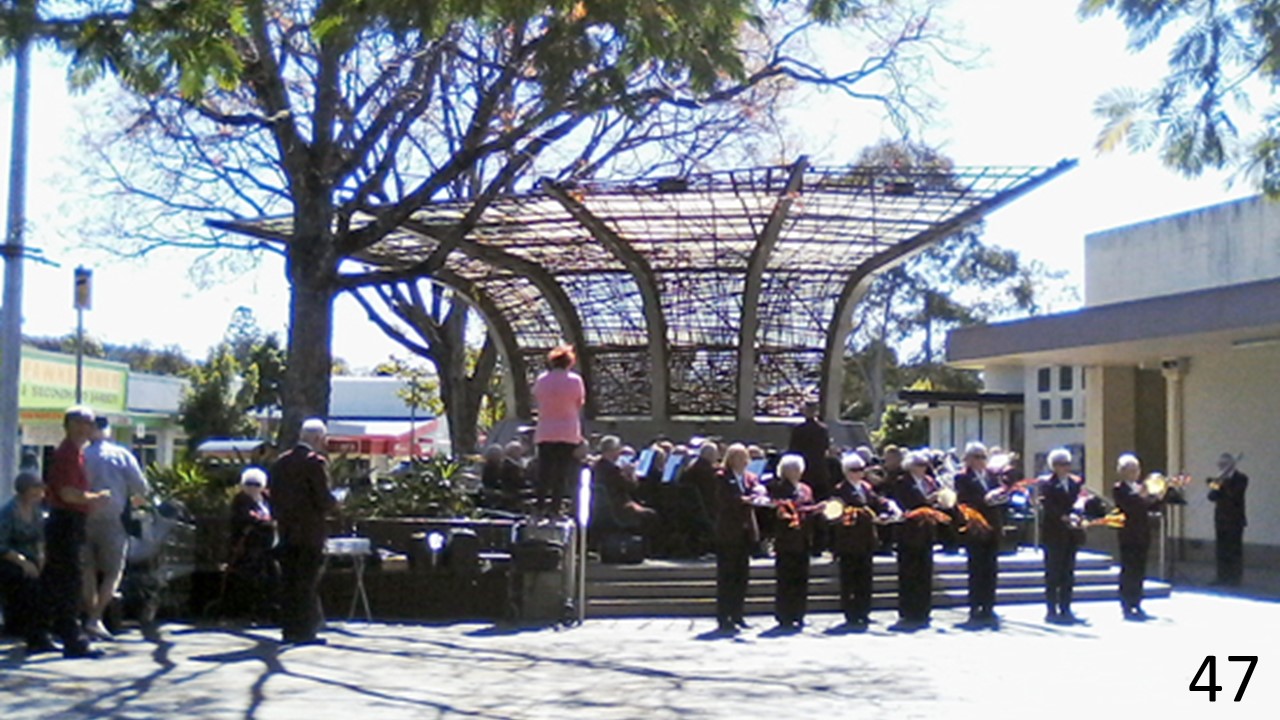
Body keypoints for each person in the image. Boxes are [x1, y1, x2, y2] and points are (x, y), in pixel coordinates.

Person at [41, 406, 113, 659]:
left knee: (54, 580)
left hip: (70, 520)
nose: (86, 428)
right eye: (80, 423)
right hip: (66, 520)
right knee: (70, 581)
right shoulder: (67, 454)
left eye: (90, 423)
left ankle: (39, 634)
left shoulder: (77, 453)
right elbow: (67, 493)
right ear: (68, 425)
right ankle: (73, 640)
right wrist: (96, 498)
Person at [269, 418, 338, 646]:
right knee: (307, 584)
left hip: (286, 532)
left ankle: (289, 629)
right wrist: (335, 502)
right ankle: (306, 631)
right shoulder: (314, 463)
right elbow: (323, 499)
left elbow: (274, 497)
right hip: (309, 534)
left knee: (289, 583)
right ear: (318, 438)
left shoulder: (281, 463)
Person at [81, 417, 151, 640]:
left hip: (82, 516)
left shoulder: (80, 455)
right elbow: (141, 488)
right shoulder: (121, 455)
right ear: (108, 431)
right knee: (113, 572)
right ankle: (95, 617)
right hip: (113, 519)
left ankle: (90, 617)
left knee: (87, 570)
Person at [828, 454, 899, 627]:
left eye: (860, 469)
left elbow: (877, 502)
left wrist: (887, 509)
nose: (858, 473)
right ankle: (850, 611)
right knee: (849, 577)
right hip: (849, 540)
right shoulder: (840, 489)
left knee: (865, 577)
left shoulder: (866, 488)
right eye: (854, 470)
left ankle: (864, 610)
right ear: (846, 472)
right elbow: (835, 512)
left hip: (866, 538)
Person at [0, 472, 56, 653]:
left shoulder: (37, 511)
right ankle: (34, 636)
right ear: (27, 490)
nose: (42, 492)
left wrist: (41, 558)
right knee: (27, 583)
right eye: (38, 488)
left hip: (31, 558)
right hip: (9, 559)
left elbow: (40, 538)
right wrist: (23, 562)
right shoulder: (9, 512)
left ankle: (45, 629)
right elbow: (2, 546)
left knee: (51, 579)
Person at [953, 441, 1007, 625]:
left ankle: (989, 605)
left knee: (991, 568)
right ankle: (975, 605)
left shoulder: (992, 476)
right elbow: (963, 500)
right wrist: (985, 499)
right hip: (976, 526)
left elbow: (1002, 492)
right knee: (976, 567)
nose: (980, 461)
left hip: (993, 525)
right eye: (976, 457)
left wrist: (1001, 496)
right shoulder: (962, 477)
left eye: (983, 457)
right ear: (968, 459)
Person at [713, 444, 764, 633]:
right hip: (728, 531)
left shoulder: (750, 478)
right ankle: (723, 615)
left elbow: (757, 491)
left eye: (745, 458)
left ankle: (738, 613)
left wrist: (758, 494)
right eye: (738, 457)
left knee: (742, 575)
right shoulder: (722, 477)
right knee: (727, 575)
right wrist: (744, 500)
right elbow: (725, 499)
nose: (743, 461)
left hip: (745, 531)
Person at [889, 452, 943, 627]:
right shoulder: (902, 482)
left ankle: (924, 609)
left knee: (925, 571)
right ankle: (908, 609)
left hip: (927, 531)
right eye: (919, 464)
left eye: (924, 464)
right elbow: (909, 504)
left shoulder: (930, 482)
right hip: (909, 533)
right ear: (910, 466)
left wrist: (939, 500)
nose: (923, 468)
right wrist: (928, 500)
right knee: (909, 572)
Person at [532, 345, 586, 518]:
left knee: (544, 470)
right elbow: (579, 402)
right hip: (568, 430)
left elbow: (537, 399)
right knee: (561, 472)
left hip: (545, 430)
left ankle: (539, 505)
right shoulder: (575, 380)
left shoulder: (542, 380)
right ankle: (555, 508)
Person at [769, 454, 820, 630]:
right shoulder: (778, 488)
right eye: (791, 469)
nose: (795, 472)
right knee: (786, 578)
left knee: (801, 577)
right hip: (786, 539)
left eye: (797, 468)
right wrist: (813, 508)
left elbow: (809, 508)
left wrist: (816, 511)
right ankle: (784, 614)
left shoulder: (806, 489)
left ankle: (799, 613)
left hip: (804, 538)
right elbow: (787, 508)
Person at [1038, 448, 1085, 625]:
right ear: (1054, 466)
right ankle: (1051, 608)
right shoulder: (1047, 484)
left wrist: (1077, 513)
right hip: (1053, 533)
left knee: (1068, 572)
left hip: (1072, 533)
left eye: (1067, 464)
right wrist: (1063, 516)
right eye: (1062, 464)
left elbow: (1081, 499)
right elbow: (1047, 505)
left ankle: (1066, 606)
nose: (1066, 467)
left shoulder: (1075, 482)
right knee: (1053, 572)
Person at [226, 467, 279, 622]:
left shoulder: (267, 499)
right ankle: (249, 612)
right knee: (251, 579)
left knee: (272, 577)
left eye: (256, 484)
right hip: (248, 548)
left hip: (269, 546)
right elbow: (246, 519)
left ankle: (268, 611)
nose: (252, 487)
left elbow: (276, 514)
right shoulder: (240, 500)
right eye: (249, 484)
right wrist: (266, 522)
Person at [1113, 454, 1161, 620]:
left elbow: (1151, 506)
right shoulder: (1119, 488)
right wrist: (1142, 496)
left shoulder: (1141, 487)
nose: (1135, 473)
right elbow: (1128, 506)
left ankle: (1137, 601)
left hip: (1143, 532)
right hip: (1128, 533)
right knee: (1129, 568)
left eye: (1137, 469)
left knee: (1140, 568)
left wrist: (1158, 497)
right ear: (1122, 472)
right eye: (1131, 470)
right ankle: (1126, 601)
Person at [591, 436, 659, 544]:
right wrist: (631, 473)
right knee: (651, 515)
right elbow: (631, 487)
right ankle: (646, 548)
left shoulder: (596, 466)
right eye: (618, 449)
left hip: (601, 508)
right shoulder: (612, 470)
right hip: (618, 508)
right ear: (612, 450)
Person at [1207, 453, 1248, 586]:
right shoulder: (1218, 480)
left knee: (1234, 549)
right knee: (1221, 549)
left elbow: (1234, 495)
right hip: (1221, 519)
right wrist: (1216, 483)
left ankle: (1235, 578)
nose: (1221, 467)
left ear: (1231, 465)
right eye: (1220, 465)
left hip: (1235, 519)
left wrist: (1224, 482)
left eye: (1224, 465)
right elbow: (1211, 496)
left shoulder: (1241, 478)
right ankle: (1221, 576)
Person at [788, 402, 831, 503]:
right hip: (819, 470)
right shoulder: (822, 429)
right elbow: (826, 447)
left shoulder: (798, 429)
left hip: (803, 469)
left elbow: (792, 449)